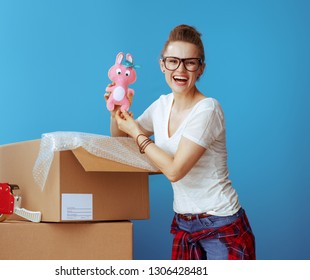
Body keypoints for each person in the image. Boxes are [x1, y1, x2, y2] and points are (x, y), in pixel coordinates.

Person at [105, 24, 256, 260]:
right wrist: (117, 112)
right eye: (173, 61)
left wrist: (136, 132)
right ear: (162, 65)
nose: (181, 69)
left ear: (201, 68)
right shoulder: (162, 105)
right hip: (184, 224)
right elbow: (120, 138)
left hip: (221, 225)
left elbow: (175, 171)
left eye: (190, 62)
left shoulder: (208, 109)